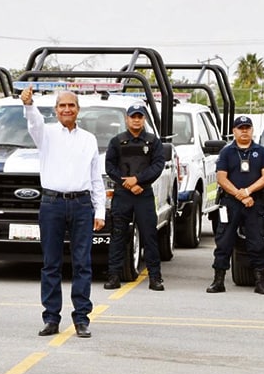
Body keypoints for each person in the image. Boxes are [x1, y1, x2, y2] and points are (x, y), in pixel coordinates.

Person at [21, 85, 106, 339]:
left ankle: (81, 318)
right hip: (52, 204)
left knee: (82, 263)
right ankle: (51, 318)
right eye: (62, 106)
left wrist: (99, 210)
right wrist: (28, 104)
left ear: (78, 110)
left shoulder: (89, 139)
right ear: (56, 110)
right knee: (51, 264)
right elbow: (34, 122)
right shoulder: (45, 134)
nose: (66, 109)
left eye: (71, 105)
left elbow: (96, 179)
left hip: (81, 205)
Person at [207, 115, 264, 295]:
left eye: (247, 128)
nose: (244, 131)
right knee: (224, 241)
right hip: (230, 203)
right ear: (234, 131)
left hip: (254, 202)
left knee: (256, 241)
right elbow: (221, 178)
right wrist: (240, 194)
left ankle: (260, 282)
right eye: (240, 128)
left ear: (252, 130)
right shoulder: (227, 152)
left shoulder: (261, 151)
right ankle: (218, 281)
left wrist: (248, 192)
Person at [104, 104, 166, 291]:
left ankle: (155, 277)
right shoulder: (117, 141)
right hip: (123, 194)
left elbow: (158, 165)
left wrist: (138, 180)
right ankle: (114, 276)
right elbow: (110, 166)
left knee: (149, 236)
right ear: (127, 119)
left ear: (144, 119)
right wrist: (126, 183)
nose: (136, 120)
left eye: (140, 116)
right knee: (118, 236)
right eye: (133, 117)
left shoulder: (153, 141)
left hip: (143, 193)